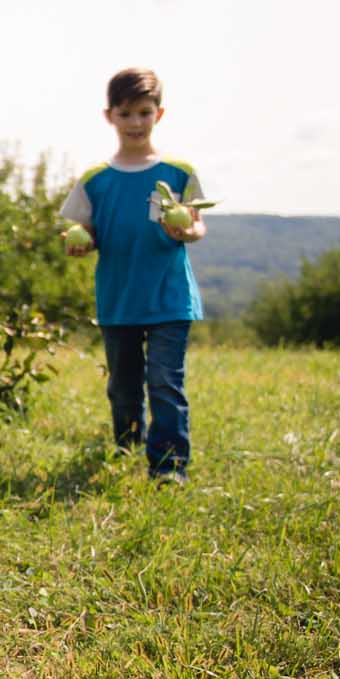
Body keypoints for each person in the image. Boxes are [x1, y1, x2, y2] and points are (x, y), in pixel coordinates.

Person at [60, 67, 208, 483]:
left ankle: (168, 467)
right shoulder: (95, 180)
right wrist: (80, 242)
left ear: (159, 114)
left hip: (169, 297)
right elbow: (83, 230)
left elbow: (197, 225)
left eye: (144, 112)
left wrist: (188, 230)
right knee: (124, 385)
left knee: (164, 382)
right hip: (119, 298)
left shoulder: (178, 172)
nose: (136, 123)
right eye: (126, 114)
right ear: (110, 117)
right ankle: (127, 441)